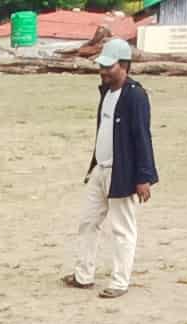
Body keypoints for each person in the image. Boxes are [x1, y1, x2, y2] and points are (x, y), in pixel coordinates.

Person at [61, 38, 156, 300]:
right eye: (102, 66)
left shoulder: (135, 95)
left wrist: (144, 176)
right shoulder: (107, 93)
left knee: (122, 228)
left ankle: (120, 281)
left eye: (108, 66)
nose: (103, 71)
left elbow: (142, 137)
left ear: (124, 65)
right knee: (88, 222)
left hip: (121, 171)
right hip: (100, 169)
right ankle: (84, 275)